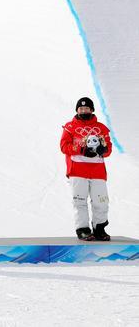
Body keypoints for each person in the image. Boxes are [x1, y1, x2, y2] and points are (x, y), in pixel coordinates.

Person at [60, 97, 112, 242]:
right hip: (77, 171)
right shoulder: (70, 127)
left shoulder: (101, 128)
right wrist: (81, 150)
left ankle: (99, 228)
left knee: (101, 201)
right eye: (81, 109)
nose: (84, 111)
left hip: (97, 172)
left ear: (92, 110)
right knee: (79, 201)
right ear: (77, 110)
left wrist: (103, 149)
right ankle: (83, 230)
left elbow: (108, 151)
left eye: (87, 108)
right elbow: (64, 147)